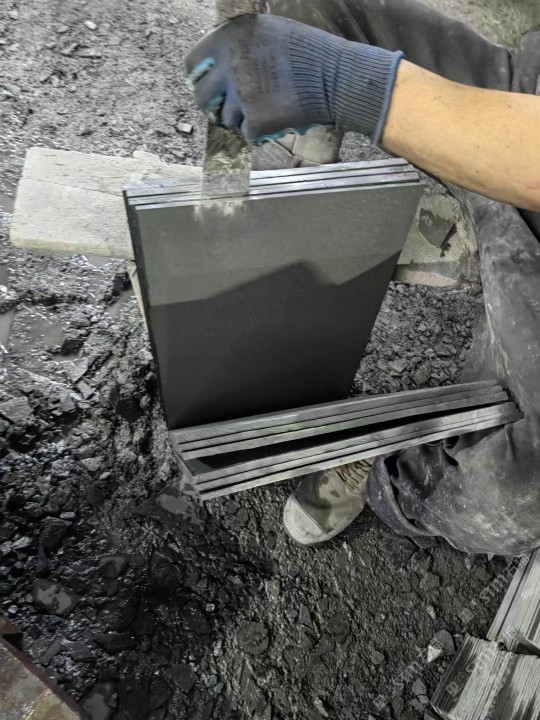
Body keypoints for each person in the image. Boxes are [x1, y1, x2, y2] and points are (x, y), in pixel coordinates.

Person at [186, 0, 540, 557]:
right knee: (300, 15)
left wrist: (359, 86)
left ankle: (398, 472)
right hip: (526, 105)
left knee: (506, 501)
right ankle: (268, 193)